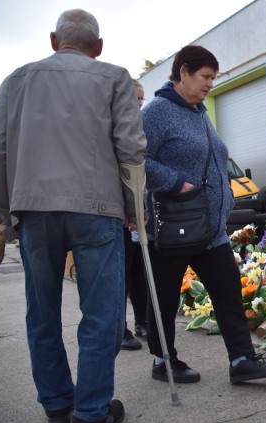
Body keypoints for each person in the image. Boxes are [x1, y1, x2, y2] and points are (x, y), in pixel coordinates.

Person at [0, 9, 147, 423]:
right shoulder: (114, 77)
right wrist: (135, 211)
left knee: (41, 313)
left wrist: (4, 213)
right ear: (99, 47)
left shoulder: (15, 80)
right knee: (102, 315)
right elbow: (131, 150)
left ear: (52, 40)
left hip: (34, 210)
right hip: (97, 208)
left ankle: (58, 406)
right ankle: (92, 412)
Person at [141, 45, 266, 384]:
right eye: (205, 77)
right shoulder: (157, 112)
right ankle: (163, 360)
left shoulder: (200, 112)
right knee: (164, 294)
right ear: (184, 72)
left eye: (213, 79)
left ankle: (242, 361)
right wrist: (176, 182)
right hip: (174, 223)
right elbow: (135, 159)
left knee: (228, 290)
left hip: (210, 227)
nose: (209, 85)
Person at [121, 80, 149, 351]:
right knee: (122, 274)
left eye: (142, 98)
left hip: (141, 211)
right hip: (121, 213)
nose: (139, 102)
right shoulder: (117, 122)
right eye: (135, 97)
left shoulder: (142, 123)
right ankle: (120, 328)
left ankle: (143, 320)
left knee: (140, 271)